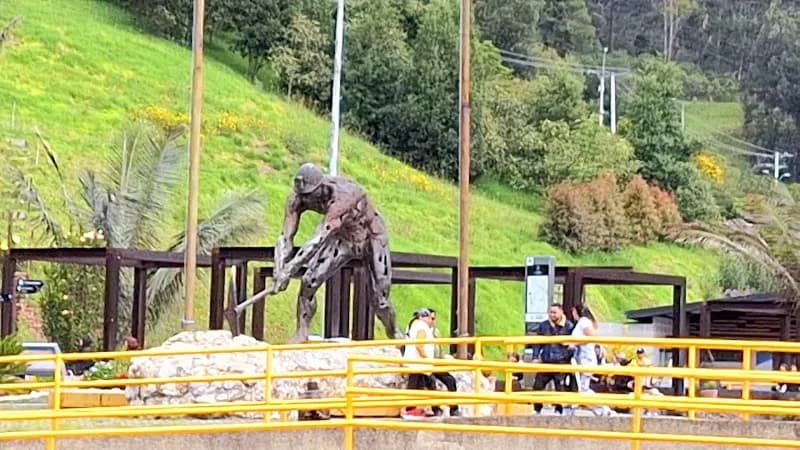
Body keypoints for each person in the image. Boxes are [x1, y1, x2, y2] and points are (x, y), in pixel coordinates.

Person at [527, 303, 575, 415]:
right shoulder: (544, 325)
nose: (552, 315)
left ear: (561, 312)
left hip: (561, 362)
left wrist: (568, 356)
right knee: (538, 386)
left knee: (560, 387)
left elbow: (573, 344)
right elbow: (537, 343)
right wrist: (535, 356)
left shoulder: (568, 326)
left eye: (554, 312)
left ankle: (559, 409)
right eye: (551, 312)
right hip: (546, 360)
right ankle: (537, 409)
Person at [569, 304, 615, 416]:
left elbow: (591, 337)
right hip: (581, 358)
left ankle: (603, 410)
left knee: (583, 388)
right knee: (582, 387)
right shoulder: (583, 322)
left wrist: (574, 343)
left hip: (585, 358)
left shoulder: (584, 321)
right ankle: (600, 410)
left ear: (576, 312)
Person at [401, 308, 439, 419]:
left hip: (416, 363)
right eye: (431, 318)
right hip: (419, 363)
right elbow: (419, 345)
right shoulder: (422, 327)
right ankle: (411, 409)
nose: (432, 321)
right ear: (424, 317)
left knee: (421, 385)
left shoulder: (413, 326)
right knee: (417, 386)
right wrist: (426, 357)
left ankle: (415, 409)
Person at [427, 309, 460, 416]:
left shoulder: (436, 332)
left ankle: (454, 408)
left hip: (436, 363)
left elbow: (440, 349)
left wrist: (443, 362)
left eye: (434, 318)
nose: (433, 321)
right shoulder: (422, 331)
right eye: (431, 318)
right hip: (426, 364)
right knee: (431, 382)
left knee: (451, 380)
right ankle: (435, 409)